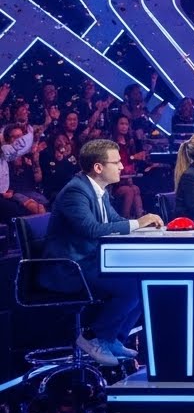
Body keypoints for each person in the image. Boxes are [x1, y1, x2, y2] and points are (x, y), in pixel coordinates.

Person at [41, 139, 164, 367]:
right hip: (69, 268)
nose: (122, 167)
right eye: (116, 162)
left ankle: (112, 339)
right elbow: (91, 229)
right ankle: (93, 337)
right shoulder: (76, 191)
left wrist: (142, 225)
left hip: (91, 261)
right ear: (98, 167)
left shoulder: (99, 190)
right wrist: (137, 223)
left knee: (146, 280)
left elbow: (114, 221)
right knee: (133, 285)